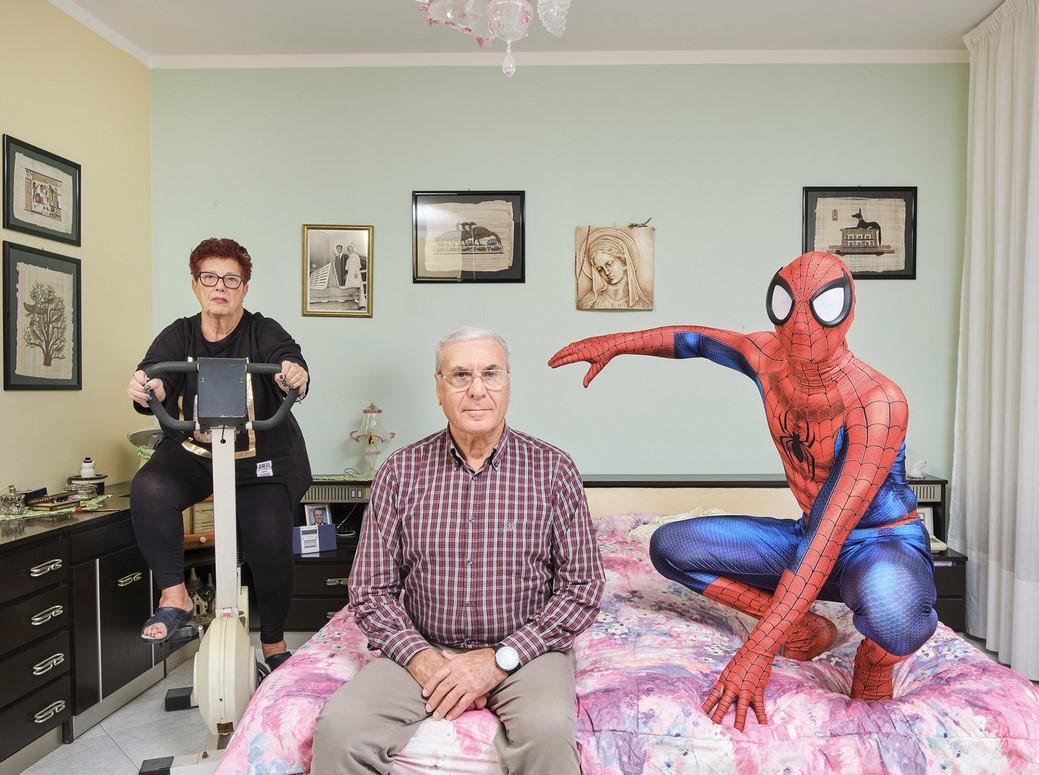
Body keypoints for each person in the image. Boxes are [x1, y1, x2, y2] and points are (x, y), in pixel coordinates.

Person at [550, 251, 937, 732]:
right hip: (808, 534)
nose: (800, 324)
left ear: (846, 312)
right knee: (670, 547)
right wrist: (619, 341)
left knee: (896, 617)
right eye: (788, 304)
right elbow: (696, 340)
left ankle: (874, 661)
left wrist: (757, 652)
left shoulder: (878, 401)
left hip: (879, 543)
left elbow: (831, 533)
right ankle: (805, 625)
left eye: (822, 306)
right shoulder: (767, 359)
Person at [311, 327, 605, 774]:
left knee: (548, 730)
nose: (477, 390)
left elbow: (581, 588)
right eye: (460, 375)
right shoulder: (400, 471)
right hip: (420, 647)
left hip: (525, 654)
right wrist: (423, 659)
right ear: (439, 388)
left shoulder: (554, 470)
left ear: (508, 384)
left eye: (491, 374)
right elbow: (369, 589)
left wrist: (498, 660)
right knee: (340, 729)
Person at [127, 237, 312, 672]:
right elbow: (157, 377)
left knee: (268, 545)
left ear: (245, 288)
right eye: (209, 277)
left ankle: (272, 644)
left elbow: (290, 360)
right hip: (196, 453)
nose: (220, 287)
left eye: (232, 279)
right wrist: (147, 387)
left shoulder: (262, 330)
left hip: (260, 457)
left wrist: (293, 373)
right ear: (195, 285)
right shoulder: (180, 334)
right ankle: (175, 594)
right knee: (149, 486)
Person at [578, 230, 652, 310]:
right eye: (600, 269)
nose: (606, 272)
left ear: (624, 262)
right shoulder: (589, 304)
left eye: (609, 264)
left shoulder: (645, 303)